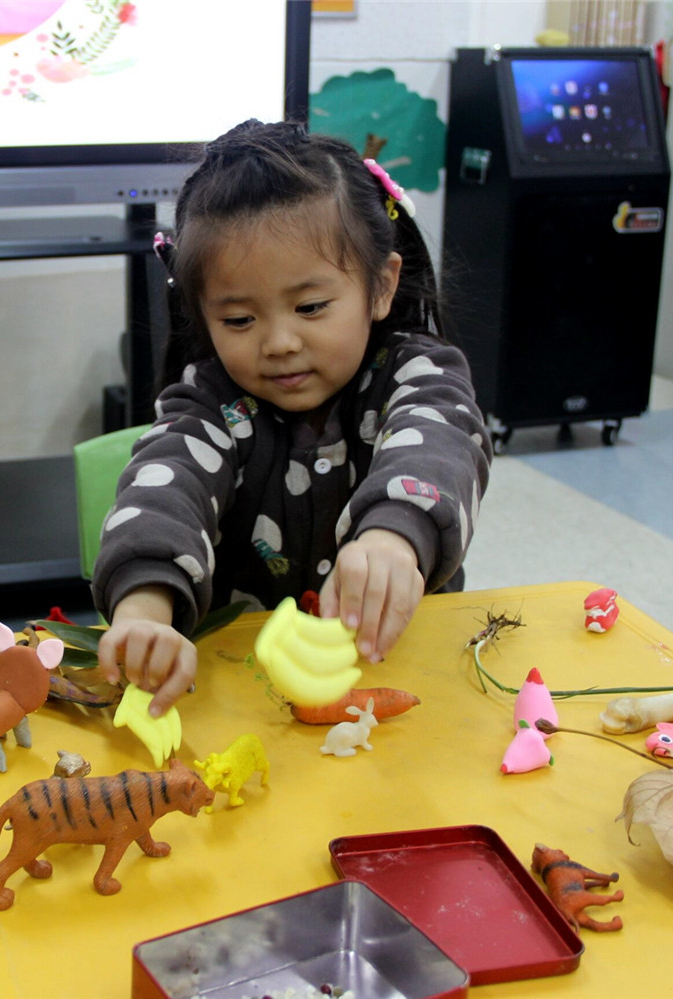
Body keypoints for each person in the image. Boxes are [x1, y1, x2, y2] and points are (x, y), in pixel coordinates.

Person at [92, 120, 491, 718]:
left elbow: (439, 439)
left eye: (310, 307)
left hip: (394, 671)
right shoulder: (209, 401)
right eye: (238, 320)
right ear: (201, 314)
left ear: (380, 286)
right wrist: (146, 611)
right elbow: (166, 487)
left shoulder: (417, 373)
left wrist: (392, 535)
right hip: (246, 689)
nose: (279, 342)